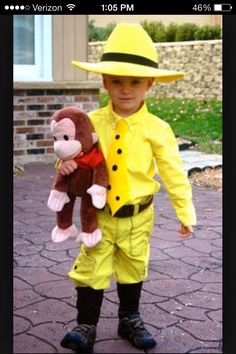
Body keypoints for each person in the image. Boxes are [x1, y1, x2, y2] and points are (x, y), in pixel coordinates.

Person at [58, 23, 197, 353]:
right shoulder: (87, 123)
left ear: (149, 83)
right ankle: (86, 325)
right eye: (116, 80)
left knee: (133, 266)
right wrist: (63, 167)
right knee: (92, 268)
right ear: (105, 81)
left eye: (135, 81)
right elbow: (71, 156)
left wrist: (185, 212)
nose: (125, 89)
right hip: (99, 216)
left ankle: (129, 318)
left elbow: (174, 173)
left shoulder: (158, 129)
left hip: (138, 217)